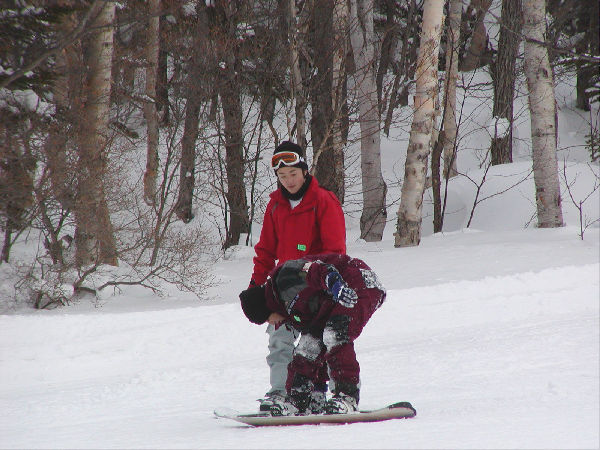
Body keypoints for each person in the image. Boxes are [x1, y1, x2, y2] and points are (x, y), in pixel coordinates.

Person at [249, 141, 346, 412]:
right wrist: (256, 289)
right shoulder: (275, 206)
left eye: (293, 173)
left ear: (304, 170)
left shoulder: (323, 201)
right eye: (282, 176)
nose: (288, 180)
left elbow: (335, 253)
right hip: (283, 289)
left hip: (317, 288)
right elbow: (265, 252)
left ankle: (325, 394)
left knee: (318, 343)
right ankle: (279, 394)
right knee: (279, 340)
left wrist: (324, 284)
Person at [239, 253, 386, 416]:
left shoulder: (284, 277)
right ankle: (300, 400)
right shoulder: (287, 308)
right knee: (308, 346)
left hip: (357, 283)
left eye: (267, 319)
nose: (272, 323)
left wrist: (335, 284)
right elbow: (316, 348)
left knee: (335, 334)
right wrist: (318, 389)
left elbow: (316, 269)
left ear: (267, 307)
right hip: (331, 300)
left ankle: (347, 397)